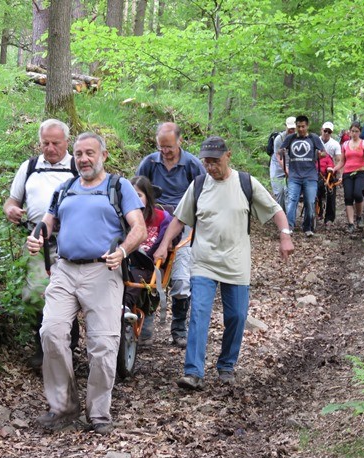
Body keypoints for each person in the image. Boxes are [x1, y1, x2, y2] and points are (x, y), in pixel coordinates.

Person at [26, 132, 146, 434]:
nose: (83, 159)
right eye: (78, 154)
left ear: (103, 155)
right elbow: (49, 222)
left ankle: (98, 413)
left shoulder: (119, 187)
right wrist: (38, 236)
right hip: (65, 269)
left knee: (104, 344)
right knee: (51, 332)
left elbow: (139, 228)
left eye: (89, 153)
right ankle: (63, 406)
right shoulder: (65, 188)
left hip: (103, 271)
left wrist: (122, 251)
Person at [153, 136, 294, 390]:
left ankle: (226, 365)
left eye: (215, 161)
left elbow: (276, 211)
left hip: (236, 261)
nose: (210, 167)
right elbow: (179, 219)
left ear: (228, 156)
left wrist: (285, 237)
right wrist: (164, 244)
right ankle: (193, 372)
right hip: (204, 261)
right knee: (198, 314)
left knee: (237, 316)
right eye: (206, 161)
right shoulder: (198, 185)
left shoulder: (245, 183)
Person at [3, 119, 80, 368]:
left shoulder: (78, 167)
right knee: (36, 295)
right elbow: (12, 201)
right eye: (45, 143)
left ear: (66, 142)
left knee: (67, 293)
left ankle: (67, 343)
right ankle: (43, 346)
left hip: (71, 242)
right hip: (37, 242)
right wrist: (12, 210)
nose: (50, 148)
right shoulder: (30, 167)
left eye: (55, 143)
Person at [136, 122, 205, 347]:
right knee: (146, 269)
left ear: (180, 142)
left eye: (169, 147)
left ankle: (178, 327)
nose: (165, 151)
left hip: (183, 224)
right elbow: (136, 191)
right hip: (153, 220)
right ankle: (144, 323)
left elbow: (204, 195)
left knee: (181, 278)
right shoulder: (149, 162)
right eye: (161, 147)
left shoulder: (193, 165)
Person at [123, 175, 174, 337]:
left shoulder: (161, 217)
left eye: (138, 195)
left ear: (148, 197)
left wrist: (166, 245)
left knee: (136, 278)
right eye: (131, 195)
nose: (134, 199)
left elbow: (170, 238)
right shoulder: (122, 216)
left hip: (149, 263)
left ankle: (126, 310)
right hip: (124, 261)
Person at [277, 115, 326, 237]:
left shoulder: (314, 138)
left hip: (310, 176)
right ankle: (289, 226)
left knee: (310, 201)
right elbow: (280, 150)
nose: (301, 129)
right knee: (292, 201)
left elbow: (324, 152)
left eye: (303, 126)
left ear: (307, 126)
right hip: (294, 176)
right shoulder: (290, 138)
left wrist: (320, 154)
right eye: (298, 126)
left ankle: (307, 227)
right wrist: (282, 151)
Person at [333, 121, 364, 233]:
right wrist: (334, 169)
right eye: (352, 131)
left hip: (361, 171)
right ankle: (350, 223)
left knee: (357, 193)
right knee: (348, 197)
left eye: (356, 131)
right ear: (349, 132)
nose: (354, 133)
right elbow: (342, 162)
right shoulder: (345, 145)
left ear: (360, 132)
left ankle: (359, 216)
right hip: (347, 173)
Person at [317, 122, 343, 225]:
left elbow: (338, 160)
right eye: (325, 131)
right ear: (321, 130)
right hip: (316, 171)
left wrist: (339, 174)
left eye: (329, 131)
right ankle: (317, 211)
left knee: (331, 192)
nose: (326, 133)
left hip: (330, 172)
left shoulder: (335, 144)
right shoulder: (316, 141)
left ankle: (329, 218)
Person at [269, 116, 296, 211]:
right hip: (277, 167)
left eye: (293, 128)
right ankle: (282, 214)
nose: (291, 130)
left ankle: (289, 217)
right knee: (279, 192)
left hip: (292, 167)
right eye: (290, 128)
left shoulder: (299, 139)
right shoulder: (279, 139)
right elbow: (279, 157)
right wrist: (286, 171)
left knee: (289, 192)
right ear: (286, 127)